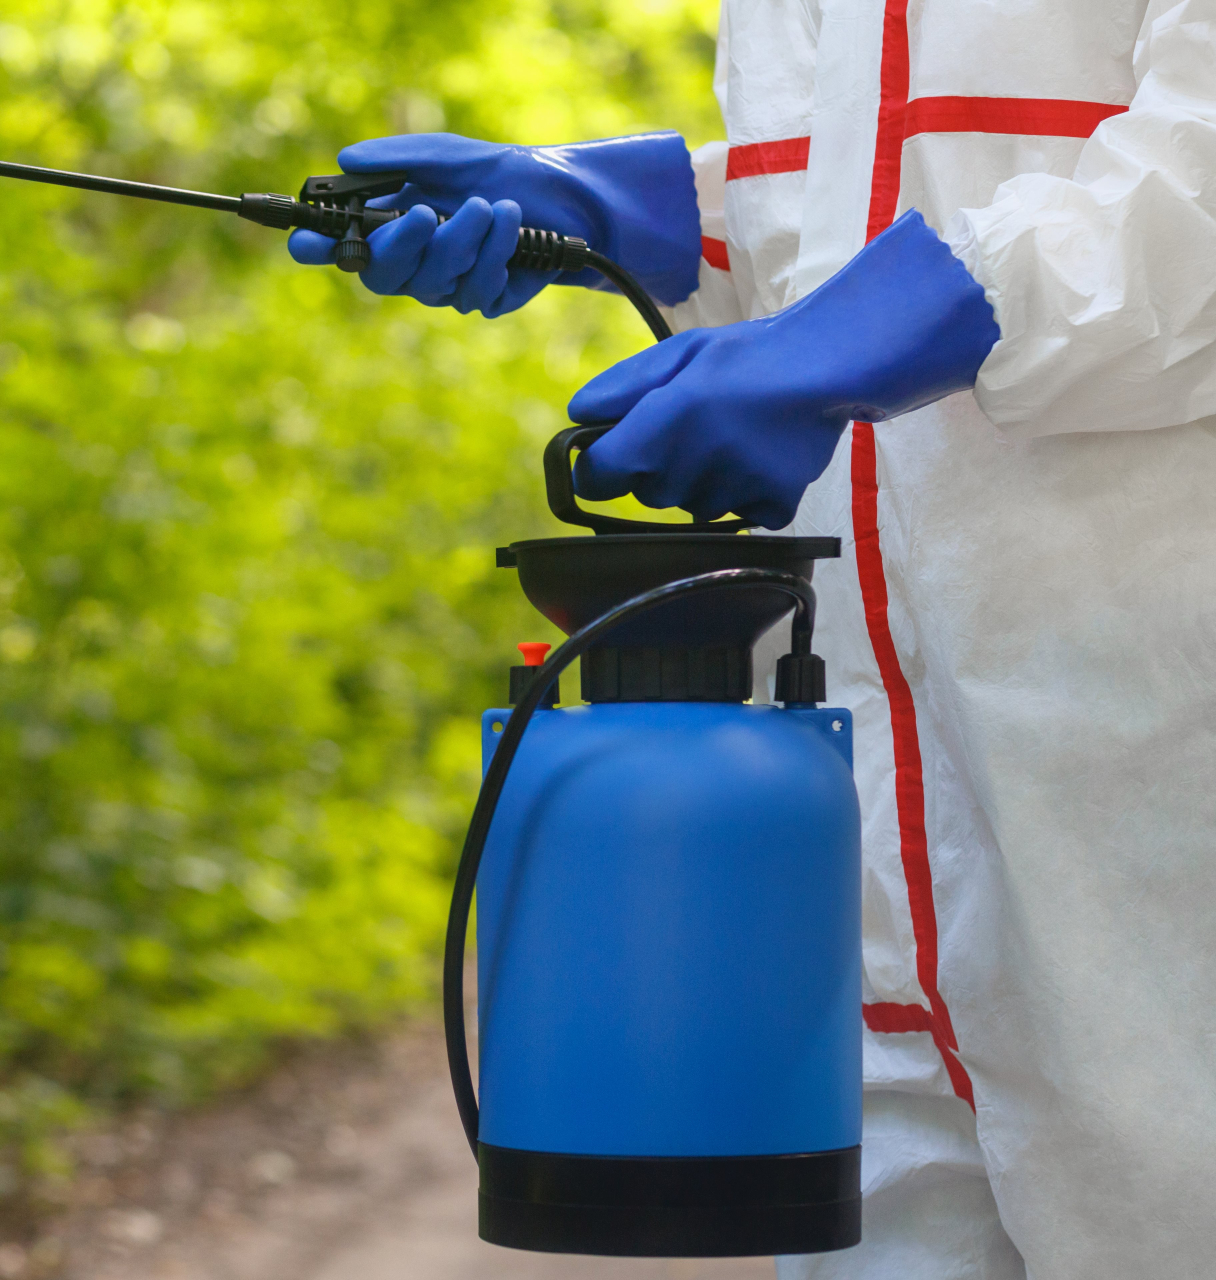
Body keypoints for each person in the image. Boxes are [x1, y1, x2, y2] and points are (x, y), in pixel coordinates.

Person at [290, 2, 1216, 1276]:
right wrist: (647, 217)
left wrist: (850, 340)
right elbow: (863, 212)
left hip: (1152, 833)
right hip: (864, 866)